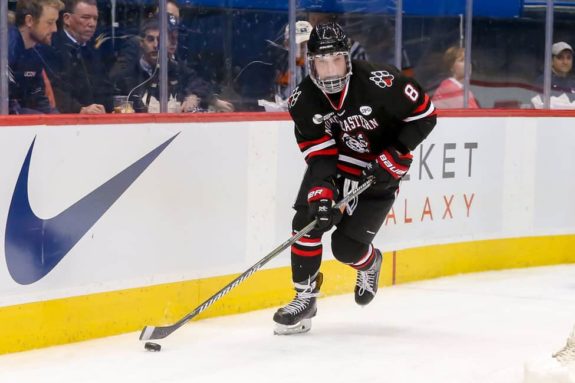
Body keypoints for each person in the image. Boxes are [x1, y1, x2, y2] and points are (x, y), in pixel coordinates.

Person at [273, 22, 436, 335]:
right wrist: (322, 193)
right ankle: (304, 298)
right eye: (322, 62)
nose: (330, 70)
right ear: (311, 64)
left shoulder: (381, 80)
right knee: (307, 222)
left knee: (346, 248)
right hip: (338, 166)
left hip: (381, 171)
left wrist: (396, 153)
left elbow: (424, 115)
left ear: (347, 59)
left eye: (336, 60)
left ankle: (369, 262)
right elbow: (320, 155)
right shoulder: (303, 100)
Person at [111, 18, 232, 113]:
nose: (156, 45)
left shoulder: (175, 69)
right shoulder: (128, 74)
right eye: (150, 39)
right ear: (141, 43)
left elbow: (200, 84)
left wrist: (194, 96)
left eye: (160, 40)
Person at [45, 0, 113, 113]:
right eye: (85, 17)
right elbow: (54, 90)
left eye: (95, 18)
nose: (92, 24)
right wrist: (80, 110)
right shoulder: (52, 48)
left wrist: (109, 107)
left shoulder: (94, 50)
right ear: (67, 19)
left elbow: (105, 87)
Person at [8, 0, 64, 114]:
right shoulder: (6, 47)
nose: (55, 29)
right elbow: (6, 104)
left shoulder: (37, 51)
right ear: (29, 20)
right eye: (50, 22)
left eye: (55, 22)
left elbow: (38, 99)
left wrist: (59, 121)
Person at [531, 41, 575, 109]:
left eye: (568, 58)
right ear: (551, 60)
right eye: (560, 57)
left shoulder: (573, 82)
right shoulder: (543, 81)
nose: (565, 62)